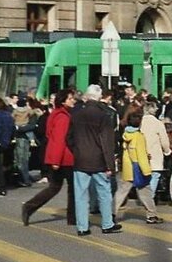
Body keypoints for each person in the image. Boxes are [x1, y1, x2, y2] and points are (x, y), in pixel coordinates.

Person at [66, 84, 121, 236]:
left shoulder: (76, 115)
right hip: (99, 160)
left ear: (87, 96)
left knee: (81, 195)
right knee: (104, 193)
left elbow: (68, 138)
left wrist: (76, 151)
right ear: (99, 97)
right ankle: (107, 224)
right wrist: (110, 164)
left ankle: (82, 227)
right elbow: (107, 142)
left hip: (81, 160)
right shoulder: (104, 116)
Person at [22, 90, 76, 227]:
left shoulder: (56, 115)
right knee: (71, 188)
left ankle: (30, 206)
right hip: (65, 158)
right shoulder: (63, 117)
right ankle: (72, 217)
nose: (73, 100)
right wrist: (56, 161)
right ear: (63, 101)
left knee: (55, 187)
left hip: (58, 157)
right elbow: (59, 140)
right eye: (70, 98)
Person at [113, 102, 162, 225]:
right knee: (146, 192)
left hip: (128, 167)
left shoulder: (126, 134)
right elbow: (140, 155)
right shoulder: (138, 136)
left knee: (121, 192)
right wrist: (147, 170)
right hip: (138, 169)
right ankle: (152, 215)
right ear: (139, 123)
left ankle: (111, 212)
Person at [139, 103, 171, 202]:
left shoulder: (139, 122)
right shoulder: (158, 123)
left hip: (141, 153)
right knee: (155, 175)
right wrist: (167, 151)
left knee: (143, 175)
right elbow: (164, 140)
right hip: (154, 153)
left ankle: (143, 195)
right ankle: (149, 198)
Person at [11, 94, 36, 187]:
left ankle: (23, 178)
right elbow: (33, 113)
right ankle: (32, 140)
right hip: (26, 127)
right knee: (30, 135)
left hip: (18, 129)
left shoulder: (15, 111)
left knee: (20, 157)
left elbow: (11, 117)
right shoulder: (27, 110)